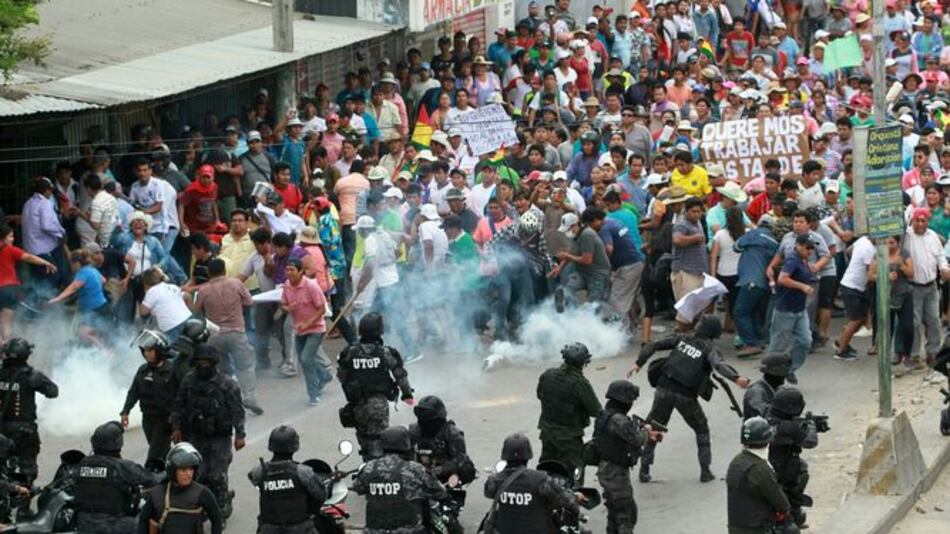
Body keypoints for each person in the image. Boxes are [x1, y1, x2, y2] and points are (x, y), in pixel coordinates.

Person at [630, 316, 751, 483]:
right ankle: (705, 471)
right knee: (702, 429)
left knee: (654, 428)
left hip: (663, 389)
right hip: (685, 395)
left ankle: (644, 470)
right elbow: (719, 366)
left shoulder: (683, 339)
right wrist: (736, 378)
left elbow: (653, 345)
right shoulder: (710, 349)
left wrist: (638, 363)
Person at [170, 344, 246, 520]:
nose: (202, 365)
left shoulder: (227, 384)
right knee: (198, 475)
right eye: (199, 361)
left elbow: (237, 411)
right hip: (196, 436)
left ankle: (220, 510)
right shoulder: (189, 381)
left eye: (206, 362)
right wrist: (176, 427)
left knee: (217, 476)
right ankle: (200, 507)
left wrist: (240, 435)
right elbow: (179, 405)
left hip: (220, 437)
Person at [337, 312, 414, 461]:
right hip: (378, 405)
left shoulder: (350, 352)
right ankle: (376, 474)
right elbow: (400, 375)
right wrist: (407, 395)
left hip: (356, 405)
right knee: (379, 442)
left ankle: (367, 469)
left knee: (364, 442)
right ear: (379, 331)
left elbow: (342, 376)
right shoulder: (385, 353)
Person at [592, 380, 663, 534]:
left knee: (614, 513)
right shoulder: (618, 420)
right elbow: (637, 439)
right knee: (626, 515)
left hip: (607, 469)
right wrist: (647, 431)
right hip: (615, 472)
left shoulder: (605, 415)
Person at [194, 258, 262, 415]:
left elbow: (196, 311)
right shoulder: (236, 284)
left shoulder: (204, 290)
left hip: (215, 336)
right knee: (245, 366)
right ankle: (249, 396)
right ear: (224, 270)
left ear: (208, 272)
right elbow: (249, 302)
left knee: (222, 370)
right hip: (236, 332)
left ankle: (225, 399)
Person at [351, 425, 447, 533]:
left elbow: (357, 487)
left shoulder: (370, 467)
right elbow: (440, 492)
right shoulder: (415, 469)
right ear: (406, 443)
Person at [482, 433, 581, 534]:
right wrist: (576, 502)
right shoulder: (541, 479)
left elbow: (488, 493)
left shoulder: (495, 480)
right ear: (528, 454)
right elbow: (565, 501)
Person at [73, 421, 160, 534]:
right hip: (113, 525)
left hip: (84, 525)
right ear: (118, 442)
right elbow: (154, 480)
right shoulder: (122, 466)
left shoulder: (81, 464)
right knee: (151, 523)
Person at [536, 343, 602, 479]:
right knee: (576, 471)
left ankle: (543, 497)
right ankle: (573, 498)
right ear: (583, 363)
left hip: (547, 432)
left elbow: (540, 395)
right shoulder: (579, 383)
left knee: (546, 469)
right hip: (569, 437)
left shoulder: (548, 374)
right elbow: (596, 410)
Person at [247, 425, 329, 533]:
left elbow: (252, 477)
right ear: (295, 446)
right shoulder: (302, 472)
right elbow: (321, 495)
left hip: (269, 529)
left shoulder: (259, 471)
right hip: (300, 528)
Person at [0, 338, 58, 490]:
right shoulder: (32, 375)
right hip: (24, 430)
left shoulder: (1, 373)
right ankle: (23, 509)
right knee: (27, 468)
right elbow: (53, 392)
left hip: (2, 429)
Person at [726, 417, 794, 534]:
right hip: (757, 529)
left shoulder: (736, 462)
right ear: (767, 441)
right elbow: (782, 504)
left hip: (735, 528)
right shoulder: (760, 468)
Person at [281, 257, 334, 406]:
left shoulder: (311, 286)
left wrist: (307, 323)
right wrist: (287, 308)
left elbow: (322, 308)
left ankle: (313, 394)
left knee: (306, 359)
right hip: (300, 330)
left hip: (316, 329)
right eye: (287, 270)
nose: (289, 273)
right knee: (306, 361)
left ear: (301, 272)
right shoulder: (287, 285)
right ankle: (324, 375)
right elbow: (283, 304)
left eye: (292, 270)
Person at [140, 441, 223, 534]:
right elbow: (143, 520)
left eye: (191, 469)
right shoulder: (157, 494)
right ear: (173, 471)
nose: (188, 474)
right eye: (183, 469)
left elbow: (216, 519)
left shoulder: (202, 493)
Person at [768, 233, 818, 382]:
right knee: (778, 345)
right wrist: (802, 286)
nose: (810, 251)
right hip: (785, 310)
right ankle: (771, 376)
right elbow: (782, 279)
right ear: (798, 246)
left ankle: (788, 368)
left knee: (805, 341)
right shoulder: (792, 259)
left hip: (799, 309)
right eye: (807, 248)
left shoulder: (803, 261)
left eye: (812, 248)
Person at [767, 387, 819, 528]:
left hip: (761, 465)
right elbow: (811, 442)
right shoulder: (790, 427)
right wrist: (811, 425)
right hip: (782, 468)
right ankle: (794, 509)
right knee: (802, 471)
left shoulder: (765, 418)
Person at [121, 330, 177, 464]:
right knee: (160, 451)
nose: (147, 354)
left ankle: (152, 475)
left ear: (159, 351)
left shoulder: (172, 370)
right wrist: (125, 411)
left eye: (151, 350)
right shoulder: (143, 370)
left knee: (154, 456)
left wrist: (177, 424)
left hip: (165, 420)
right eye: (145, 350)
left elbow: (180, 398)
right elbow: (134, 392)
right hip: (148, 418)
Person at [0, 224, 57, 343]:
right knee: (6, 324)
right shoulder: (10, 250)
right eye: (10, 236)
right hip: (9, 290)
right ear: (2, 239)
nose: (13, 239)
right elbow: (29, 258)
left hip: (5, 289)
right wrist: (46, 263)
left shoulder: (9, 249)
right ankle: (4, 354)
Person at [408, 395, 476, 485]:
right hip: (417, 472)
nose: (425, 422)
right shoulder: (413, 431)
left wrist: (439, 471)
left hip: (444, 474)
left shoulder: (452, 433)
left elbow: (460, 459)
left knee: (467, 468)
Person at [139, 266, 193, 341]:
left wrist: (145, 293)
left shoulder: (152, 291)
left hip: (172, 326)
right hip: (189, 319)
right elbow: (187, 296)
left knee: (178, 349)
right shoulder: (171, 286)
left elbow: (143, 312)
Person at [742, 354, 791, 421]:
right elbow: (763, 413)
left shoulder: (779, 389)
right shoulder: (756, 391)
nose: (784, 377)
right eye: (782, 375)